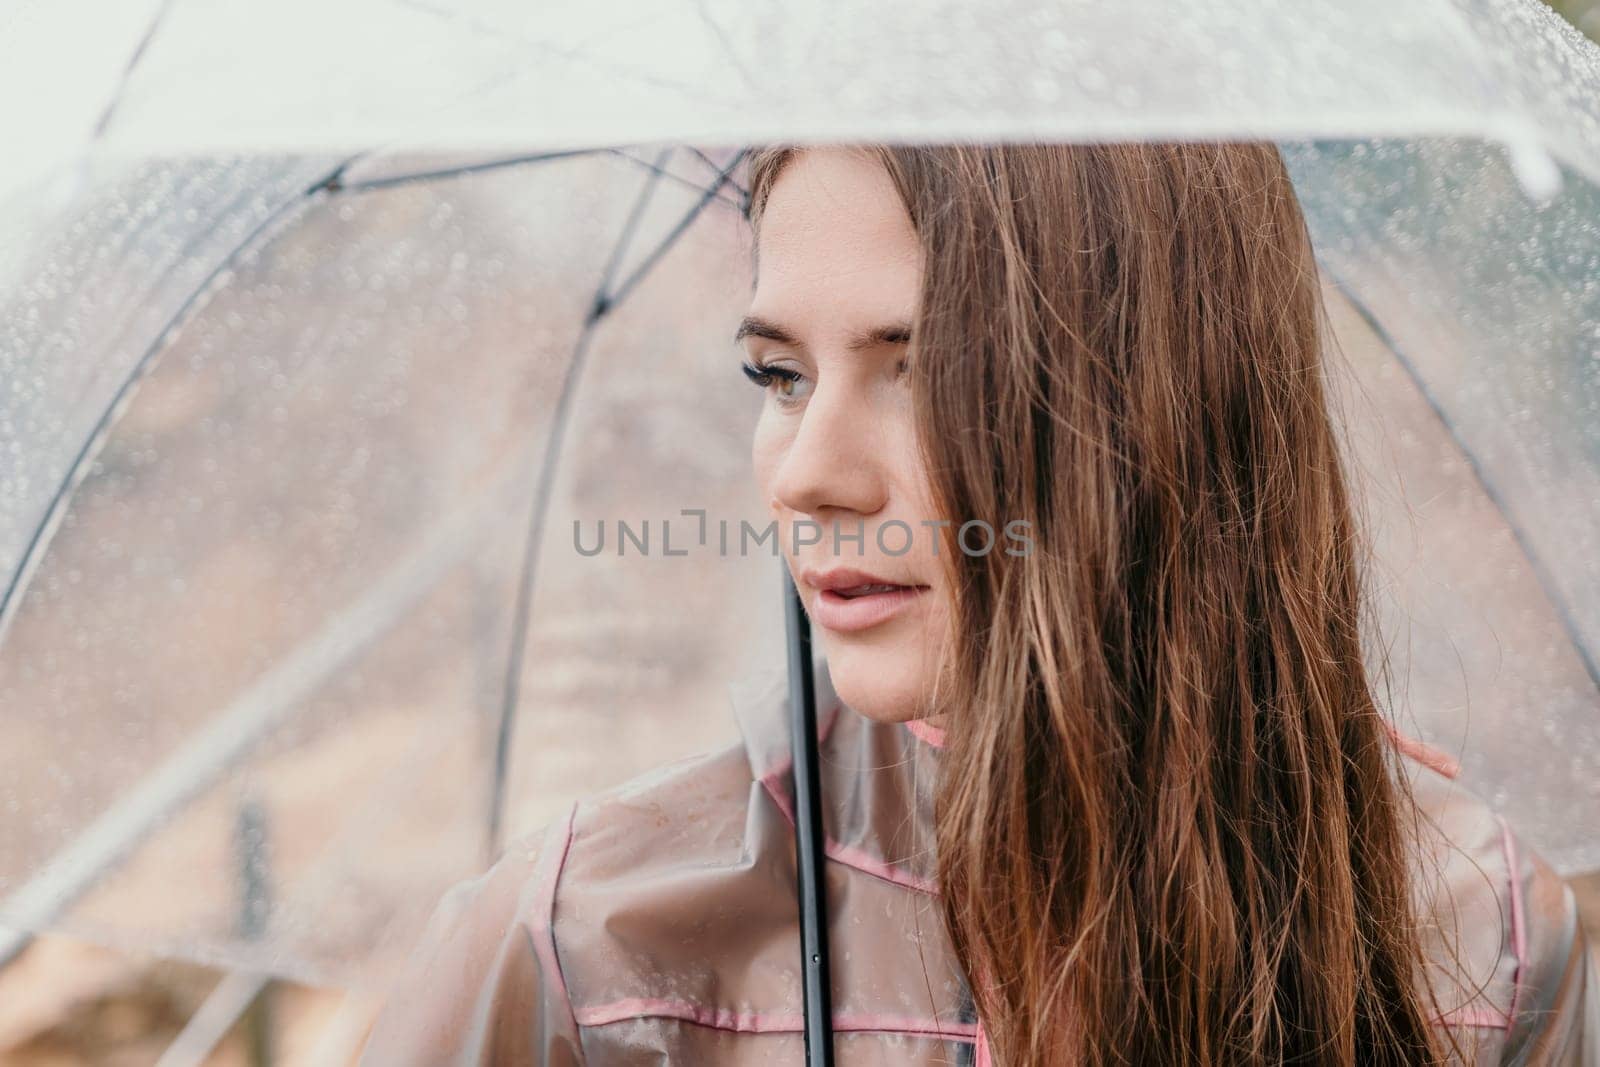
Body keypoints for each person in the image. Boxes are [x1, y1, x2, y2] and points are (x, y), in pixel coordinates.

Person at [357, 143, 1598, 1065]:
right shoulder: (595, 951)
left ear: (1153, 408)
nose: (806, 475)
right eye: (778, 374)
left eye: (925, 368)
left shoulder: (1477, 940)